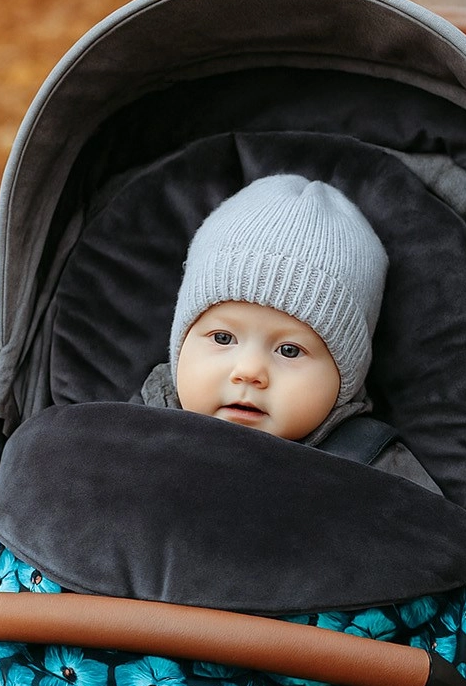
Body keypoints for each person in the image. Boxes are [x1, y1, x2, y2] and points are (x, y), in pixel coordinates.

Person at [139, 174, 442, 490]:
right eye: (223, 338)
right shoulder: (133, 429)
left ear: (345, 378)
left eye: (289, 350)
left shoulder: (374, 470)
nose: (249, 372)